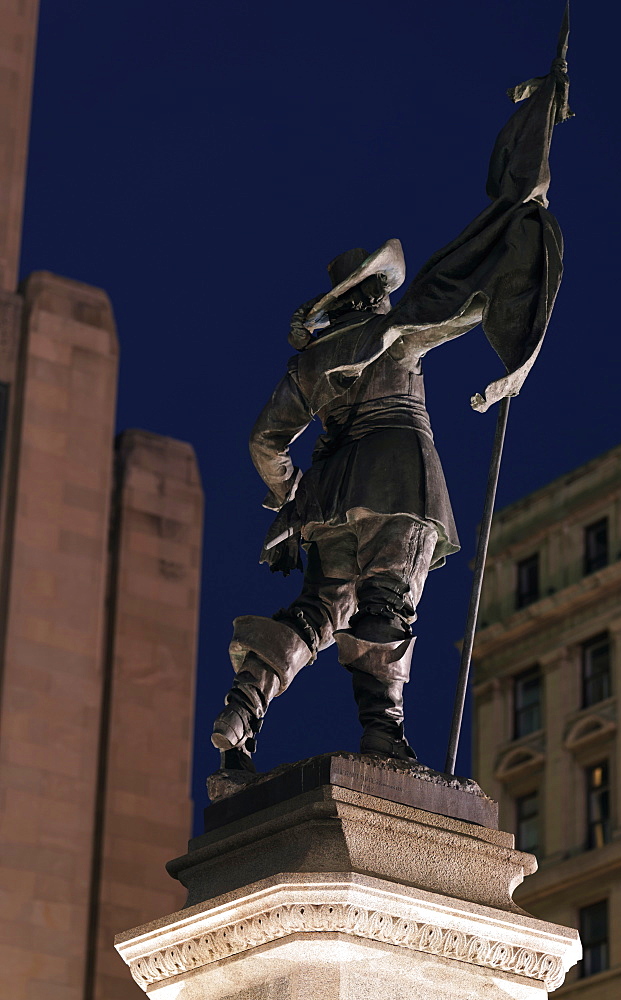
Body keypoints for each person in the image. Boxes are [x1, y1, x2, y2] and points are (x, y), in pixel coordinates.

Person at [212, 39, 571, 772]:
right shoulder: (397, 332)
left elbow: (261, 442)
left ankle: (244, 703)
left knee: (319, 612)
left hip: (329, 497)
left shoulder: (309, 361)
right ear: (375, 293)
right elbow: (476, 279)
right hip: (400, 484)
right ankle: (383, 735)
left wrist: (299, 494)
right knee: (387, 610)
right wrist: (525, 215)